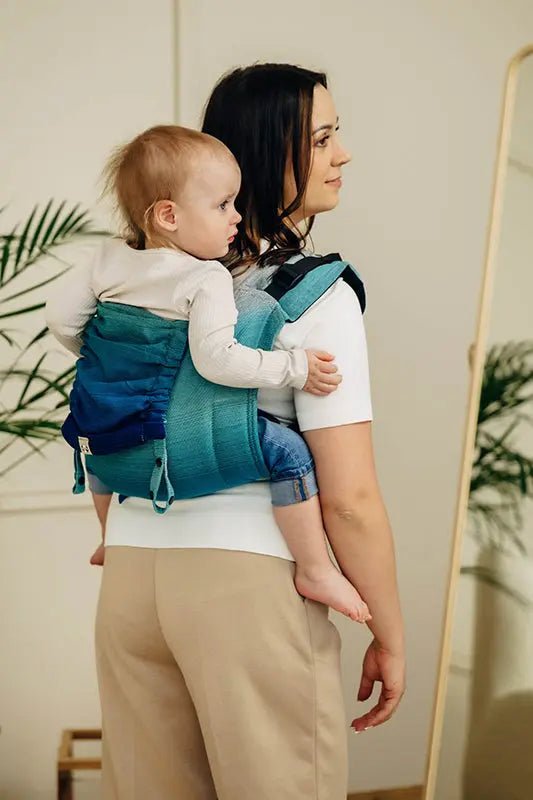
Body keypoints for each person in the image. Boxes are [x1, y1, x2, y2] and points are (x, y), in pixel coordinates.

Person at [72, 63, 407, 799]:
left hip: (130, 575)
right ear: (265, 150)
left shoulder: (140, 277)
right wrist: (388, 629)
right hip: (249, 583)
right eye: (321, 139)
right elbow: (349, 499)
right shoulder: (315, 293)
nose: (342, 154)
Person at [46, 123, 371, 623]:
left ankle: (109, 538)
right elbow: (218, 360)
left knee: (95, 441)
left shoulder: (107, 258)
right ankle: (315, 567)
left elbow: (62, 322)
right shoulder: (204, 277)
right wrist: (295, 368)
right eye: (223, 205)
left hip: (110, 426)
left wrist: (103, 355)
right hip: (169, 428)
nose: (237, 217)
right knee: (288, 453)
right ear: (169, 215)